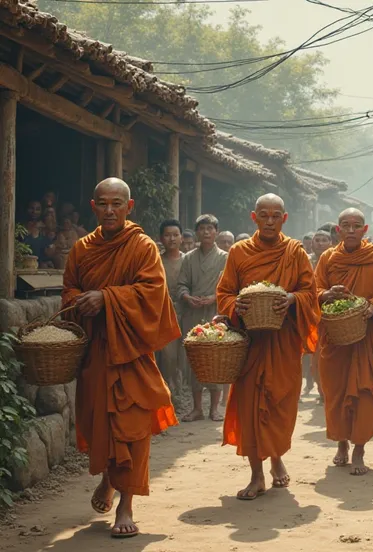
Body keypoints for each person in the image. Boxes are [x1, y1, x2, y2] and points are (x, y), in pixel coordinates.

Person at [61, 178, 179, 538]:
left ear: (129, 208)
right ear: (93, 206)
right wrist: (82, 300)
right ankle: (108, 480)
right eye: (103, 204)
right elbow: (68, 290)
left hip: (131, 352)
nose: (110, 210)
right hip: (97, 352)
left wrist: (107, 298)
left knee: (133, 427)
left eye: (117, 204)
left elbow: (153, 292)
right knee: (101, 424)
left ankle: (126, 503)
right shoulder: (81, 248)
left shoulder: (142, 246)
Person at [216, 194, 319, 500]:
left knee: (279, 405)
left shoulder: (295, 251)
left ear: (284, 219)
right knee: (249, 408)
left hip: (282, 342)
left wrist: (291, 299)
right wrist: (236, 303)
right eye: (265, 215)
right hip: (250, 343)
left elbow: (309, 293)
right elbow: (224, 293)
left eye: (276, 216)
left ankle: (276, 458)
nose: (270, 221)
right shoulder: (238, 252)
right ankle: (256, 475)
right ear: (254, 217)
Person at [315, 208, 373, 475]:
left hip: (366, 340)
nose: (351, 230)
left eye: (356, 226)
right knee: (336, 393)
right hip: (336, 340)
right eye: (345, 226)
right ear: (337, 231)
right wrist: (326, 294)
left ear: (365, 230)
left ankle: (359, 450)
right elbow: (313, 291)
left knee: (365, 394)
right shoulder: (328, 258)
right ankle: (341, 444)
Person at [177, 214, 228, 422]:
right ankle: (197, 408)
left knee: (216, 360)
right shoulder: (188, 258)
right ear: (197, 232)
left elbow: (230, 285)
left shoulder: (225, 257)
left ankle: (214, 409)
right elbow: (181, 285)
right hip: (193, 313)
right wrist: (187, 297)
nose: (206, 232)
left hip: (216, 313)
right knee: (194, 360)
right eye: (202, 229)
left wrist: (214, 297)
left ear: (216, 232)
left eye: (210, 228)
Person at [157, 219, 185, 396]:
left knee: (183, 355)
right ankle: (168, 390)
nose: (172, 239)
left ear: (181, 237)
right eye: (167, 235)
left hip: (186, 311)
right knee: (168, 355)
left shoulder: (188, 260)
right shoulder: (156, 261)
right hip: (163, 314)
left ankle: (181, 390)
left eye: (175, 235)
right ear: (161, 238)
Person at [304, 229, 332, 401]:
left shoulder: (335, 259)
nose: (320, 243)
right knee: (313, 357)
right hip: (309, 312)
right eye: (317, 240)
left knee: (328, 355)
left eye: (324, 240)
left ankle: (327, 392)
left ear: (330, 242)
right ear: (312, 243)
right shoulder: (304, 259)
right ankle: (320, 390)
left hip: (331, 312)